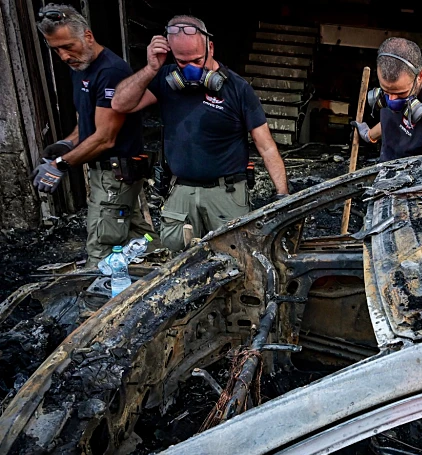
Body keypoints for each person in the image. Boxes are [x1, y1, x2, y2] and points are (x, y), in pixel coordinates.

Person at [111, 15, 288, 251]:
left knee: (235, 259)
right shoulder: (165, 80)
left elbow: (266, 146)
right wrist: (151, 68)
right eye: (182, 62)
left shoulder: (238, 89)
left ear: (210, 47)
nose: (191, 69)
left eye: (196, 60)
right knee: (180, 262)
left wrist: (282, 196)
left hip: (226, 194)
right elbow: (121, 104)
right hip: (180, 192)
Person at [34, 4, 157, 267]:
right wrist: (68, 143)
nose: (64, 56)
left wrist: (61, 165)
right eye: (56, 49)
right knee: (140, 238)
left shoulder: (110, 71)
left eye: (68, 46)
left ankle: (102, 302)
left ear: (88, 36)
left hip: (116, 176)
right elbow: (88, 124)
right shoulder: (80, 68)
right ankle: (161, 273)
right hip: (109, 176)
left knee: (103, 248)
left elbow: (105, 137)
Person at [351, 37, 422, 161]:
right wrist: (369, 135)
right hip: (385, 170)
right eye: (386, 92)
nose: (392, 100)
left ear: (420, 75)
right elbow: (394, 121)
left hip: (417, 177)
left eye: (400, 94)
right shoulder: (398, 87)